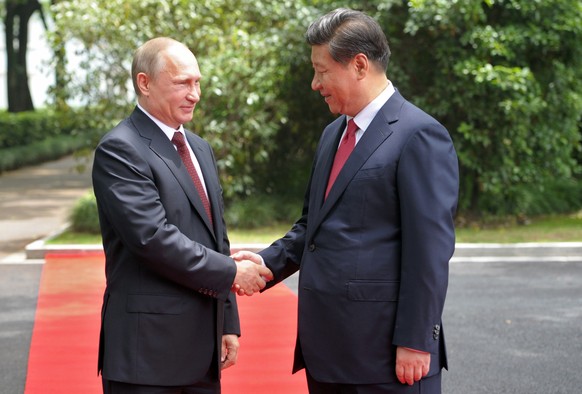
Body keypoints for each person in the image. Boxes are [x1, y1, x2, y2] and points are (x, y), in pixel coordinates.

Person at [233, 8, 459, 393]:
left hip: (387, 359)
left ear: (358, 65)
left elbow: (430, 250)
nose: (314, 83)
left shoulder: (419, 135)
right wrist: (267, 263)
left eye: (321, 71)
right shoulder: (333, 134)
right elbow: (314, 226)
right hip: (327, 354)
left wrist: (416, 339)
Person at [92, 37, 273, 393]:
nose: (195, 94)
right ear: (144, 83)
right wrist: (235, 272)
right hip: (147, 357)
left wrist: (227, 322)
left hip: (203, 353)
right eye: (182, 83)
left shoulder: (199, 148)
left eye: (198, 82)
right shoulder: (120, 149)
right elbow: (153, 239)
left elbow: (217, 238)